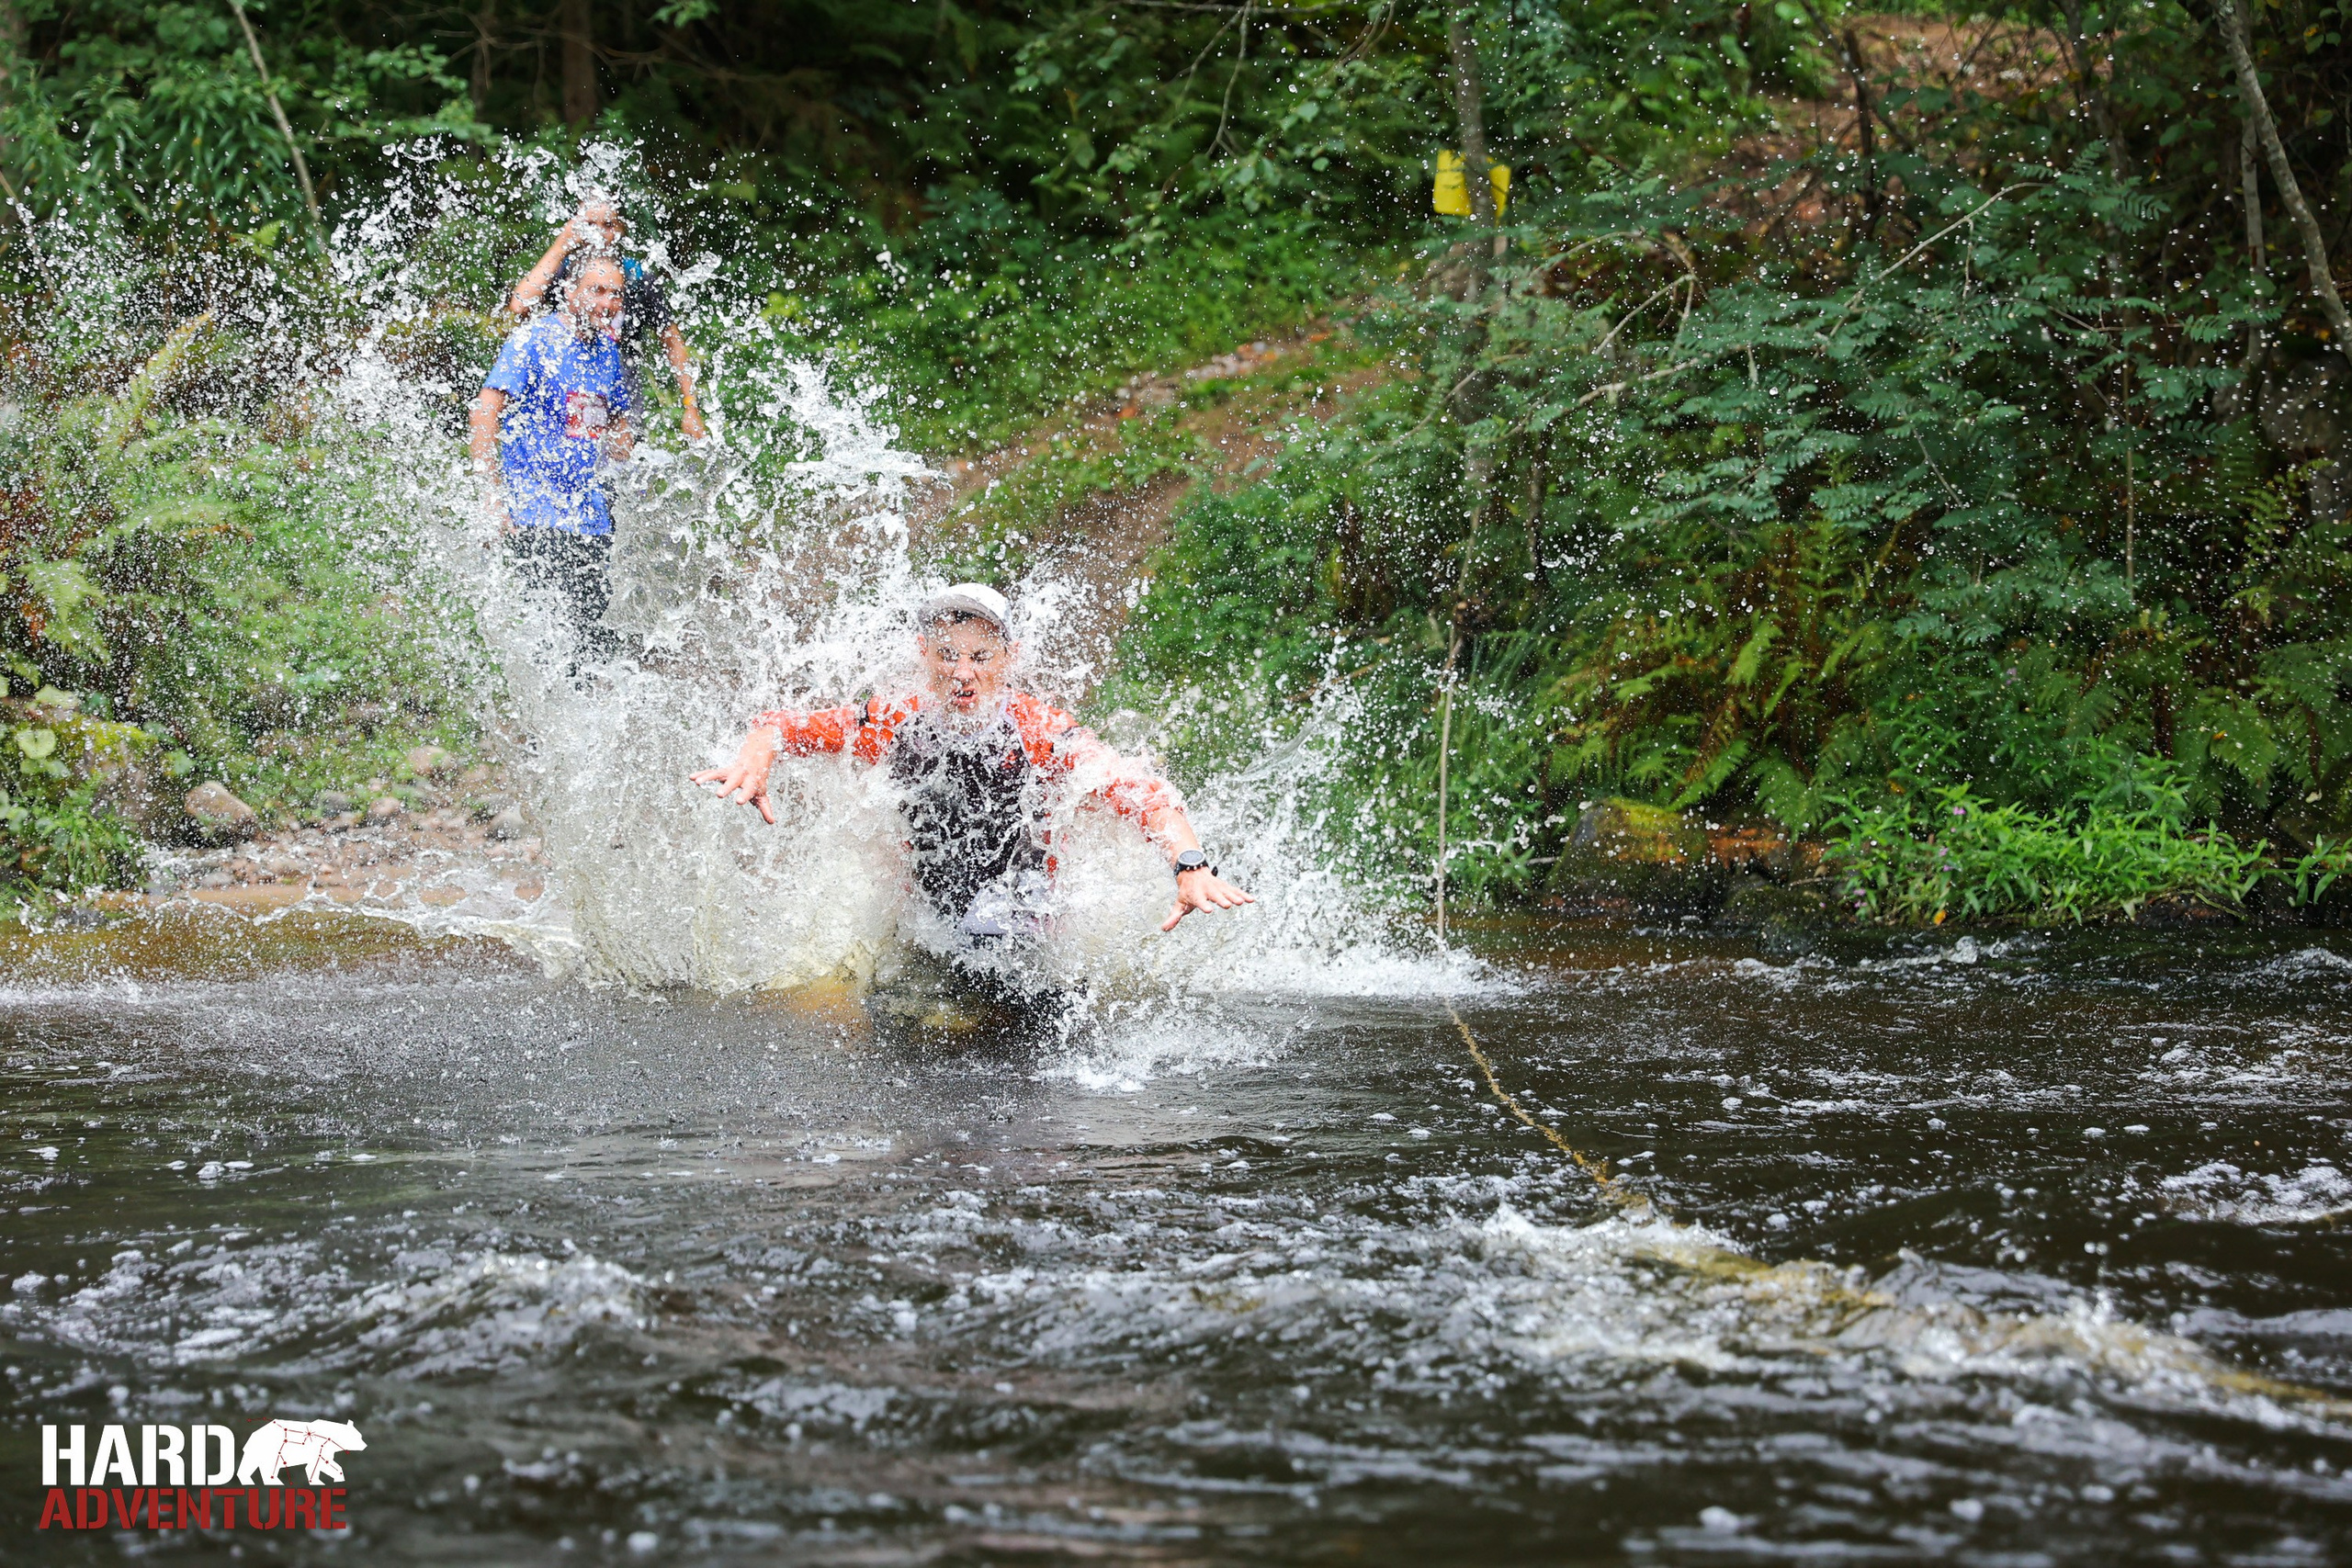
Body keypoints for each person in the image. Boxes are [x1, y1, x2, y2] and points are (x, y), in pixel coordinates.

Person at [691, 584, 1254, 963]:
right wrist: (756, 757)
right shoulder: (895, 720)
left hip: (1022, 924)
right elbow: (783, 726)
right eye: (947, 655)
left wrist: (1189, 864)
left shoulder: (1037, 730)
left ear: (1008, 657)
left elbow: (1140, 791)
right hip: (926, 920)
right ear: (924, 653)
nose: (962, 673)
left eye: (980, 658)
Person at [470, 254, 635, 662]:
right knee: (549, 643)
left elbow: (616, 423)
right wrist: (490, 494)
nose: (608, 302)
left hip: (590, 517)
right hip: (534, 512)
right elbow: (485, 411)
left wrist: (630, 464)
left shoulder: (607, 353)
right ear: (568, 292)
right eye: (597, 290)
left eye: (616, 294)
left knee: (594, 645)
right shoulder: (532, 340)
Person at [509, 199, 707, 441]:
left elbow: (672, 341)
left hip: (621, 392)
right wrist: (562, 244)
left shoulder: (637, 278)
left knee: (621, 457)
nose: (600, 233)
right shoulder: (567, 274)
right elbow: (520, 305)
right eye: (590, 224)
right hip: (564, 389)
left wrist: (690, 405)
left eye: (608, 225)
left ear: (621, 229)